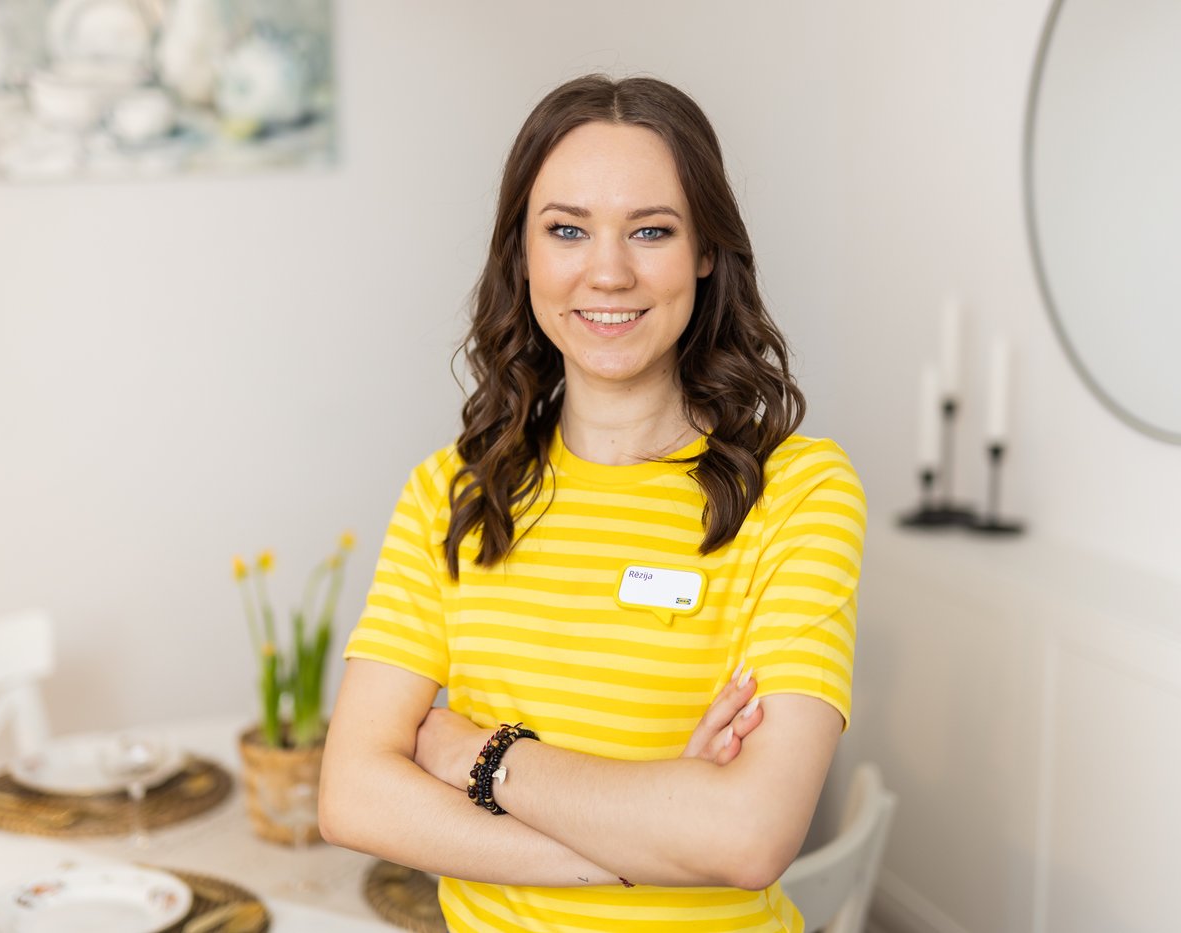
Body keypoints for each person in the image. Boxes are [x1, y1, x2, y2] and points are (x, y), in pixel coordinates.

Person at [319, 73, 865, 933]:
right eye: (567, 230)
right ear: (523, 255)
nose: (607, 272)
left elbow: (750, 836)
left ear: (707, 251)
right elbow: (352, 795)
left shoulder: (799, 489)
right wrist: (638, 848)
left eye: (651, 230)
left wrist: (480, 755)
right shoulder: (453, 492)